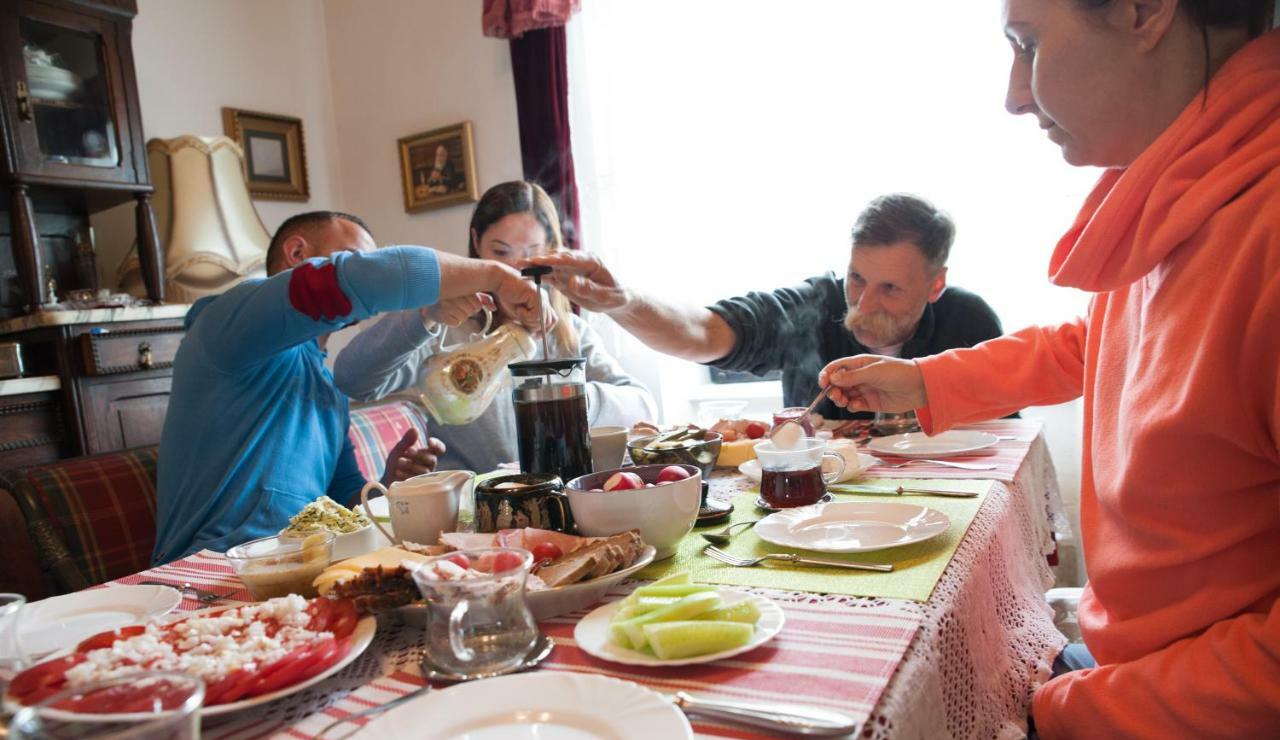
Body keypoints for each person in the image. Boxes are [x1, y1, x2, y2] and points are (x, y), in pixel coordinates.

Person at [820, 2, 1279, 740]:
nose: (1014, 96)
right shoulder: (1197, 187)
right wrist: (920, 380)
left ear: (1144, 12)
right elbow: (1095, 337)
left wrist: (1085, 712)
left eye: (1027, 45)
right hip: (1138, 687)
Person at [152, 211, 541, 564]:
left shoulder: (327, 385)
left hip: (293, 566)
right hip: (208, 568)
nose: (364, 275)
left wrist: (390, 481)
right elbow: (356, 280)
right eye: (352, 259)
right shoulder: (227, 325)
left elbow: (344, 501)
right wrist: (495, 275)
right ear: (297, 253)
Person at [526, 193, 1004, 421]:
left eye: (891, 289)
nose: (863, 302)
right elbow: (705, 333)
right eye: (857, 278)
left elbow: (1007, 451)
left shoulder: (970, 323)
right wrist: (622, 302)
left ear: (936, 284)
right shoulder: (815, 306)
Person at [333, 181, 656, 472]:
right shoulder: (446, 325)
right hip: (477, 515)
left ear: (553, 252)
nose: (515, 270)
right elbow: (353, 380)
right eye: (501, 253)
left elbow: (642, 407)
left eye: (533, 254)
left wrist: (567, 397)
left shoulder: (569, 332)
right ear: (476, 242)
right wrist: (425, 314)